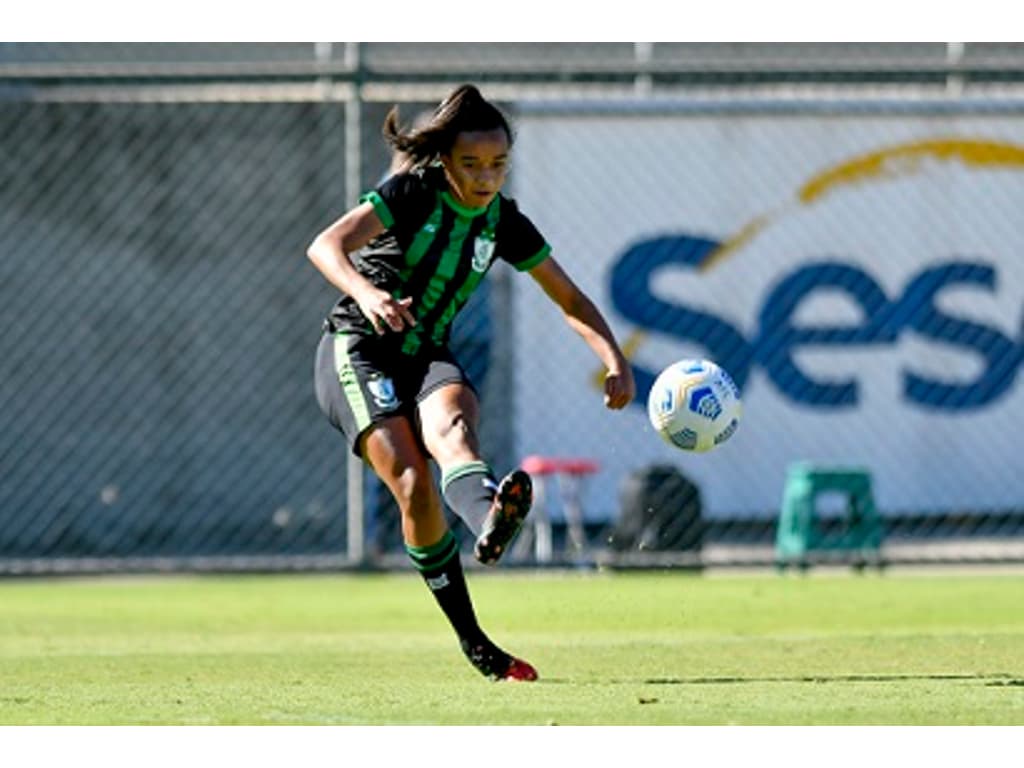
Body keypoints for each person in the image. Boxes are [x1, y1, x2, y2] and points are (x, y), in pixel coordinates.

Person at [307, 84, 635, 682]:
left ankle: (488, 519)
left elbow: (568, 297)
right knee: (413, 482)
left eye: (498, 165)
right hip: (357, 350)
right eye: (471, 164)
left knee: (456, 428)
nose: (486, 178)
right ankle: (472, 638)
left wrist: (614, 356)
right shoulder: (410, 192)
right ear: (445, 161)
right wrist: (368, 292)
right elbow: (325, 245)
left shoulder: (503, 221)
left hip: (425, 354)